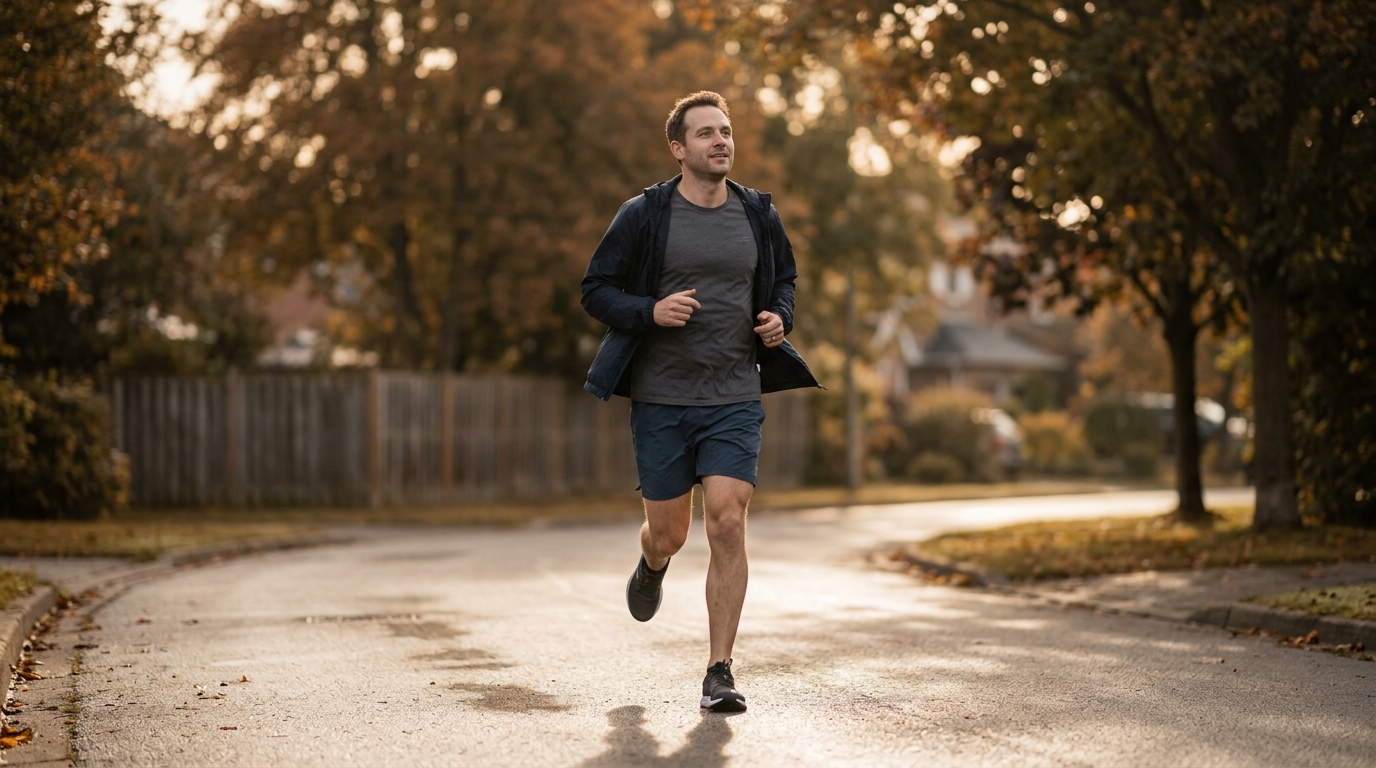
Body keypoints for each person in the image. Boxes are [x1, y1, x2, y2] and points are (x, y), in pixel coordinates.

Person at [580, 91, 818, 712]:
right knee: (672, 532)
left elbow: (785, 280)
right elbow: (596, 289)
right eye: (706, 133)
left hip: (734, 394)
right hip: (662, 399)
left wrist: (779, 318)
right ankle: (651, 561)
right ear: (678, 149)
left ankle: (720, 671)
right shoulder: (645, 214)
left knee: (728, 520)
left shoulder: (758, 214)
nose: (721, 141)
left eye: (726, 131)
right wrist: (650, 311)